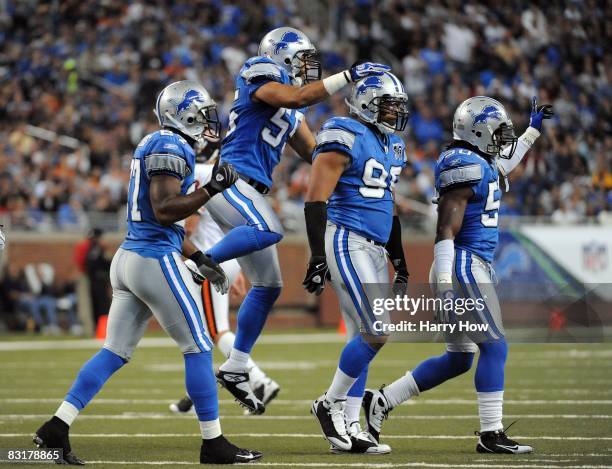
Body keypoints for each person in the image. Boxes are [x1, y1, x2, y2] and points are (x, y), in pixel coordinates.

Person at [33, 80, 262, 464]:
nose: (208, 122)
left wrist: (201, 258)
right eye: (201, 115)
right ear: (182, 113)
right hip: (153, 258)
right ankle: (213, 443)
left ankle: (56, 427)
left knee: (114, 352)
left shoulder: (157, 143)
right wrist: (211, 190)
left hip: (133, 257)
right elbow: (165, 209)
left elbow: (164, 222)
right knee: (200, 347)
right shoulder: (170, 145)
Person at [202, 26, 391, 414]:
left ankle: (237, 366)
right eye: (302, 60)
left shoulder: (292, 110)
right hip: (230, 179)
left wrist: (357, 161)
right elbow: (298, 93)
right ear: (281, 56)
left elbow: (313, 151)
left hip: (251, 190)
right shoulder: (258, 72)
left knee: (268, 285)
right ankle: (200, 262)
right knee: (270, 229)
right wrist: (349, 76)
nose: (307, 68)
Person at [362, 96, 553, 454]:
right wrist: (447, 284)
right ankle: (491, 433)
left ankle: (382, 400)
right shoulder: (462, 164)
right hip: (463, 265)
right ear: (477, 131)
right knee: (495, 346)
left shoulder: (482, 162)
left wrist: (532, 131)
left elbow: (505, 164)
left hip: (467, 266)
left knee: (459, 358)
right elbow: (445, 231)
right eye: (497, 132)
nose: (502, 140)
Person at [303, 72, 410, 453]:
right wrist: (317, 255)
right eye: (389, 104)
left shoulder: (391, 144)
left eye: (398, 104)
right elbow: (315, 199)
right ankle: (328, 403)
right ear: (366, 102)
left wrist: (399, 257)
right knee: (377, 329)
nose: (396, 112)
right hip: (347, 239)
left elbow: (388, 204)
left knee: (361, 335)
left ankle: (350, 424)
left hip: (376, 247)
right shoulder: (342, 132)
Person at [170, 147, 280, 415]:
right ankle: (194, 398)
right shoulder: (226, 179)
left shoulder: (199, 177)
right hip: (227, 257)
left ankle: (258, 380)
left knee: (215, 331)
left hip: (209, 261)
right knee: (202, 331)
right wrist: (240, 269)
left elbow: (190, 226)